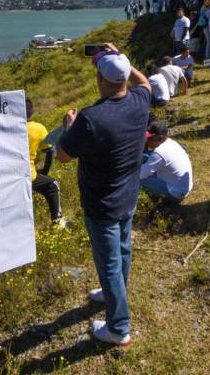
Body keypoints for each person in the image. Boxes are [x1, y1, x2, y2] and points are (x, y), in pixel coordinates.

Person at [56, 45, 151, 346]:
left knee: (109, 262)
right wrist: (125, 58)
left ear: (99, 78)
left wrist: (68, 127)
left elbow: (62, 155)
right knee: (122, 251)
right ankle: (115, 292)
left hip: (102, 203)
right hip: (128, 195)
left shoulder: (91, 118)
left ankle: (118, 328)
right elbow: (145, 83)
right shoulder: (139, 102)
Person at [26, 98, 65, 226]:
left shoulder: (5, 129)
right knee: (52, 186)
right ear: (31, 112)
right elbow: (49, 151)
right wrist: (45, 172)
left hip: (4, 177)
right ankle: (57, 222)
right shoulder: (37, 129)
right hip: (28, 175)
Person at [139, 120, 193, 202]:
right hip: (185, 187)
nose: (146, 140)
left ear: (160, 138)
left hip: (176, 194)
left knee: (134, 178)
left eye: (149, 138)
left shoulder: (159, 153)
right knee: (146, 157)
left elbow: (140, 175)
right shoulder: (171, 142)